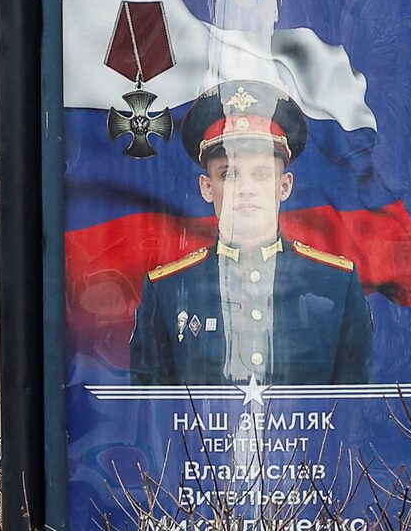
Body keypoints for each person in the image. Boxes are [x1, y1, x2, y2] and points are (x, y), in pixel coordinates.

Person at [130, 80, 375, 386]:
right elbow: (150, 411)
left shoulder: (335, 284)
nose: (245, 189)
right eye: (229, 174)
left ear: (284, 186)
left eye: (260, 174)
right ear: (207, 188)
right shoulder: (167, 289)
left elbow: (356, 411)